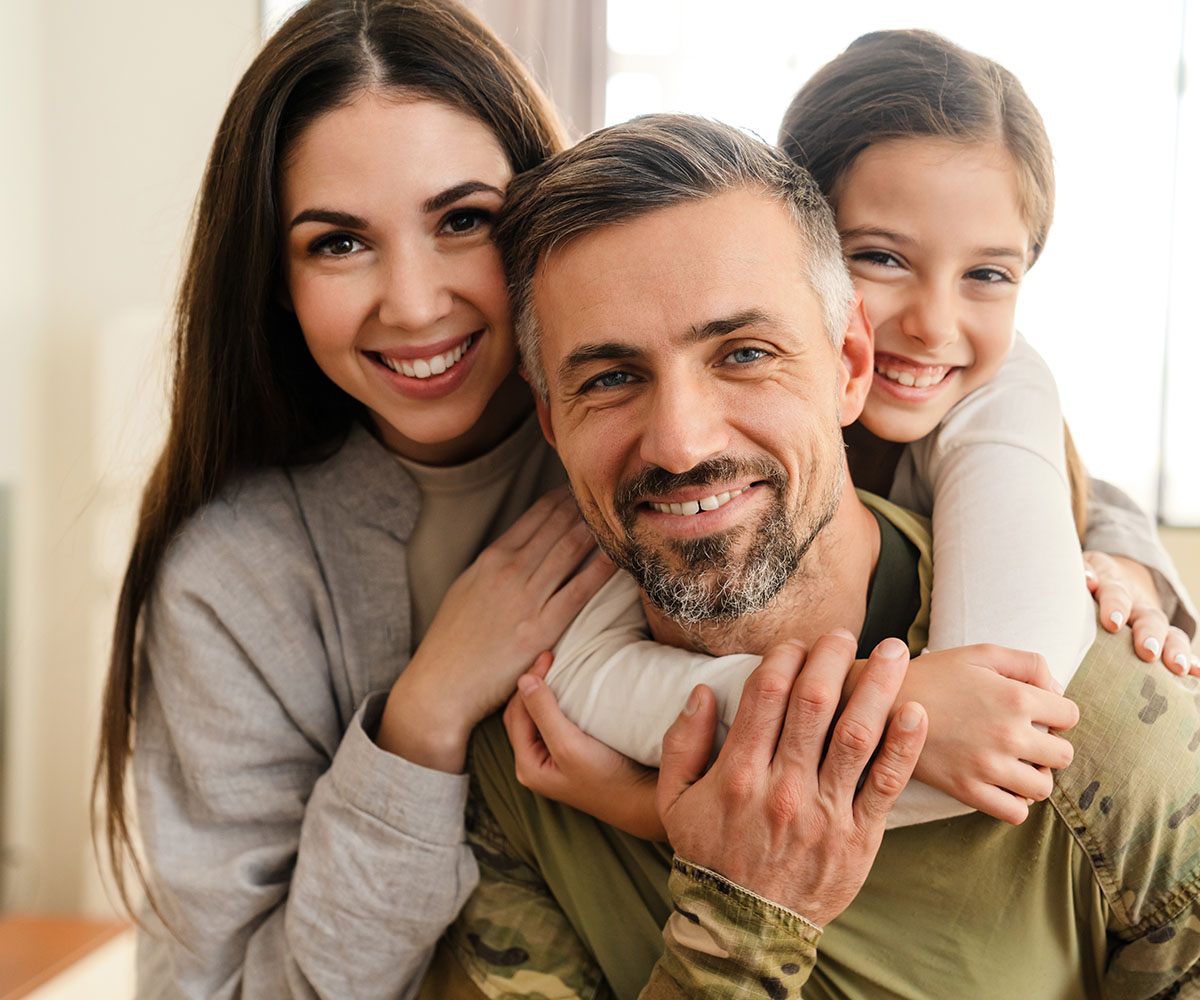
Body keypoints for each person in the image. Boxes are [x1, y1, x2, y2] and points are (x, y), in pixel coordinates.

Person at [431, 113, 1200, 998]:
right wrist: (743, 920)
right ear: (549, 419)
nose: (680, 443)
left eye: (745, 354)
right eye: (609, 378)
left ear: (850, 363)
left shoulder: (1112, 735)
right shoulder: (530, 757)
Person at [508, 28, 1198, 833]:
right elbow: (585, 676)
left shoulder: (998, 390)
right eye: (883, 258)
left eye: (988, 273)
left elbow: (996, 727)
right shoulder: (673, 445)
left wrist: (654, 809)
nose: (935, 325)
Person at [89, 2, 619, 997]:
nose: (413, 303)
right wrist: (421, 722)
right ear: (274, 281)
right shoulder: (231, 577)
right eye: (338, 243)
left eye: (464, 221)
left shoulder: (671, 450)